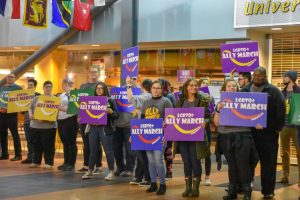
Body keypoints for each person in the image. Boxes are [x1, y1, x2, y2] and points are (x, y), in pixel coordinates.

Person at [241, 67, 286, 199]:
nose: (257, 78)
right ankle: (245, 188)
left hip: (268, 134)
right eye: (255, 75)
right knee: (247, 162)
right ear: (252, 76)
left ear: (265, 77)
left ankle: (268, 191)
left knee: (269, 163)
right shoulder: (244, 90)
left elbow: (281, 109)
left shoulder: (274, 91)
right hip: (248, 133)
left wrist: (277, 128)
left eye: (260, 76)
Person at [213, 79, 254, 200]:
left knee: (243, 164)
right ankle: (232, 190)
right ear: (224, 89)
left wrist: (257, 123)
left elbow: (252, 117)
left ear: (237, 88)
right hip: (225, 136)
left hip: (243, 135)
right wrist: (218, 110)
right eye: (229, 86)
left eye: (234, 86)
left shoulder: (244, 101)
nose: (232, 88)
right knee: (232, 165)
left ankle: (247, 191)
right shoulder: (220, 103)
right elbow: (216, 123)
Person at [175, 78, 211, 197]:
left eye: (196, 86)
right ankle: (188, 188)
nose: (194, 87)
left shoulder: (203, 100)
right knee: (186, 162)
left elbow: (208, 116)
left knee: (195, 162)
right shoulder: (181, 100)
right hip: (183, 136)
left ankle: (196, 189)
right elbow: (174, 116)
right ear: (186, 87)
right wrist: (168, 122)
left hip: (197, 137)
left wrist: (205, 121)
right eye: (191, 85)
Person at [140, 80, 173, 195]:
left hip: (161, 135)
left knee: (158, 160)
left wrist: (166, 133)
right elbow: (141, 121)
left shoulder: (166, 101)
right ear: (151, 89)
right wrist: (135, 135)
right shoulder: (146, 102)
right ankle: (153, 183)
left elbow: (171, 120)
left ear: (162, 89)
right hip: (148, 135)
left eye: (158, 88)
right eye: (154, 87)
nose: (156, 90)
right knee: (151, 161)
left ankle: (163, 184)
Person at [81, 82, 118, 180]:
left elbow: (116, 115)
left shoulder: (110, 100)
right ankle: (90, 171)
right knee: (92, 151)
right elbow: (86, 113)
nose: (99, 90)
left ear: (105, 89)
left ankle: (111, 171)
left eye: (101, 88)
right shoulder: (91, 100)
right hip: (93, 128)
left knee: (108, 151)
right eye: (97, 88)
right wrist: (82, 118)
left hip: (105, 129)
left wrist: (111, 112)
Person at [77, 65, 103, 174]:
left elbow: (104, 100)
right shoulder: (83, 86)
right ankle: (86, 164)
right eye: (91, 71)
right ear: (89, 73)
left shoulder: (101, 85)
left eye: (95, 72)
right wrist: (79, 115)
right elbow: (79, 102)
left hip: (96, 119)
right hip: (84, 118)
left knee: (96, 143)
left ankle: (98, 165)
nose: (93, 73)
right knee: (86, 143)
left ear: (98, 74)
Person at [127, 77, 152, 186]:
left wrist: (128, 86)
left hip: (143, 125)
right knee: (143, 154)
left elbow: (131, 99)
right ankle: (139, 176)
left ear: (143, 87)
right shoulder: (149, 96)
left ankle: (147, 178)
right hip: (147, 125)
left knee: (141, 154)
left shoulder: (146, 96)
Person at [277, 70, 300, 187]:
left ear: (291, 78)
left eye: (285, 76)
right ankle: (285, 176)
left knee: (299, 152)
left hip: (297, 127)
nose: (283, 77)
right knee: (284, 153)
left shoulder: (299, 91)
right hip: (284, 126)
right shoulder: (282, 93)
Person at [29, 81, 57, 169]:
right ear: (43, 88)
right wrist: (30, 115)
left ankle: (48, 163)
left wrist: (46, 119)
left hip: (48, 126)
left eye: (50, 87)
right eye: (46, 87)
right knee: (36, 145)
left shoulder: (55, 99)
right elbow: (30, 108)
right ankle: (36, 162)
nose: (48, 88)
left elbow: (56, 113)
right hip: (35, 125)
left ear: (52, 88)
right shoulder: (37, 98)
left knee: (48, 145)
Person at [0, 73, 22, 161]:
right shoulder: (2, 88)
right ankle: (5, 154)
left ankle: (18, 154)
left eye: (11, 77)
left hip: (12, 114)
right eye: (8, 77)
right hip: (1, 114)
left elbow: (21, 101)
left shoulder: (18, 88)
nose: (9, 78)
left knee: (14, 134)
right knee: (2, 134)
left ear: (15, 78)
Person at [57, 79, 78, 171]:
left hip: (70, 120)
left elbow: (75, 108)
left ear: (65, 83)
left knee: (71, 142)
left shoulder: (75, 94)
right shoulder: (61, 95)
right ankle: (66, 162)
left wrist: (61, 108)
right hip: (61, 120)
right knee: (64, 142)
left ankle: (71, 163)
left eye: (63, 83)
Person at [159, 78, 176, 179]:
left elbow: (173, 112)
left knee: (167, 150)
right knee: (164, 150)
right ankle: (166, 171)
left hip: (167, 126)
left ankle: (169, 171)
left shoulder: (169, 96)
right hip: (159, 126)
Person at [21, 79, 40, 164]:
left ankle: (36, 158)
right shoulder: (23, 96)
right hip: (26, 121)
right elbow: (21, 111)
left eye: (31, 85)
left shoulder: (39, 96)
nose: (29, 86)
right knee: (28, 140)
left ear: (35, 86)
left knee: (36, 140)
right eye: (28, 85)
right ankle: (30, 157)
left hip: (36, 122)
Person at [198, 77, 213, 186]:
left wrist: (206, 121)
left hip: (205, 127)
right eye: (203, 83)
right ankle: (197, 176)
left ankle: (207, 176)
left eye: (206, 83)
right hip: (194, 128)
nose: (204, 85)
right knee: (196, 153)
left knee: (207, 153)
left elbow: (209, 115)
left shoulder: (208, 98)